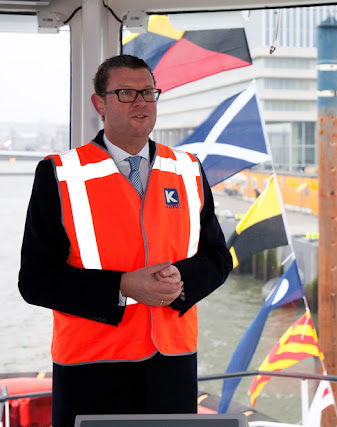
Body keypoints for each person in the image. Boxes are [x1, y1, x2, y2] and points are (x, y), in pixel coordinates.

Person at [18, 54, 233, 426]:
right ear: (99, 103)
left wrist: (182, 283)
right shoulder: (59, 174)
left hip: (173, 366)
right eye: (126, 92)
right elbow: (35, 281)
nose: (141, 102)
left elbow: (217, 257)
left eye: (148, 92)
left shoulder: (188, 170)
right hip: (91, 367)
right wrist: (122, 287)